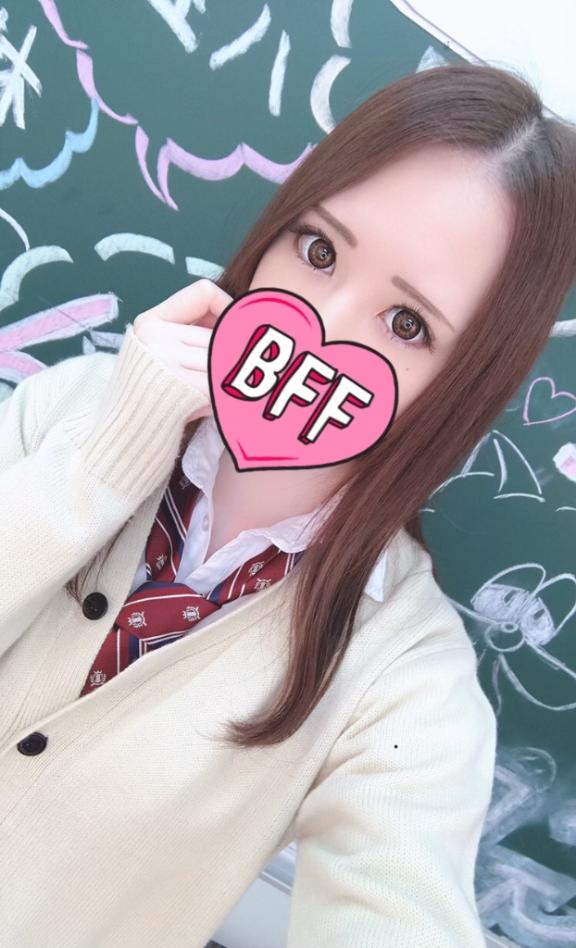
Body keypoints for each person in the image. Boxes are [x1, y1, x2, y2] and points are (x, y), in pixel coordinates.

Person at [1, 62, 575, 948]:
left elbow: (399, 904)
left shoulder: (405, 678)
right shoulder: (64, 411)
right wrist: (106, 461)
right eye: (317, 251)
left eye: (408, 325)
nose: (323, 327)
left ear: (459, 388)